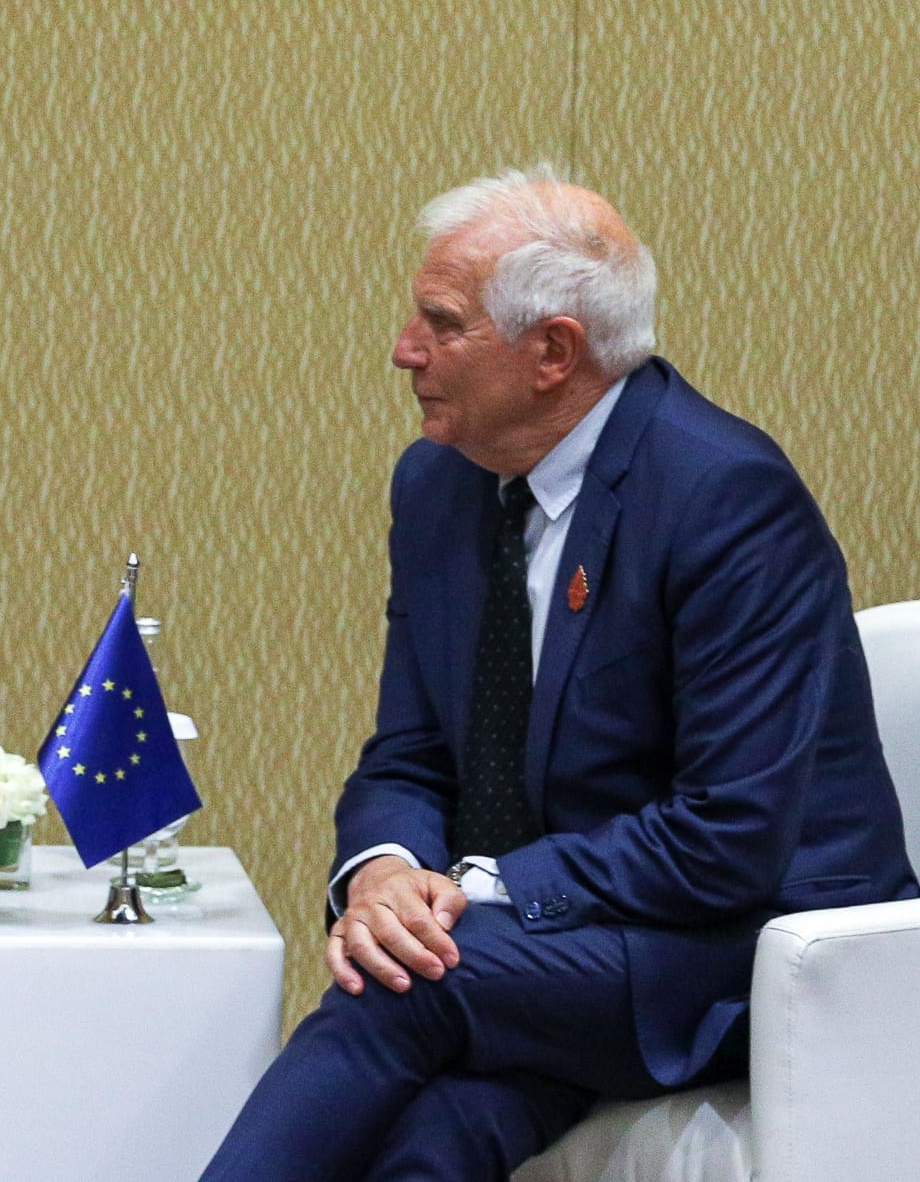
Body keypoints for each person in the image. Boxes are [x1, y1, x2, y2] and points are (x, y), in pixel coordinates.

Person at [200, 165, 915, 1180]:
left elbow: (728, 837)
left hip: (741, 943)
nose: (402, 350)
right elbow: (404, 755)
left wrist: (472, 889)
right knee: (438, 1131)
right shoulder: (438, 482)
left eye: (439, 324)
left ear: (550, 353)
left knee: (408, 984)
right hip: (560, 934)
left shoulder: (724, 498)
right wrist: (388, 875)